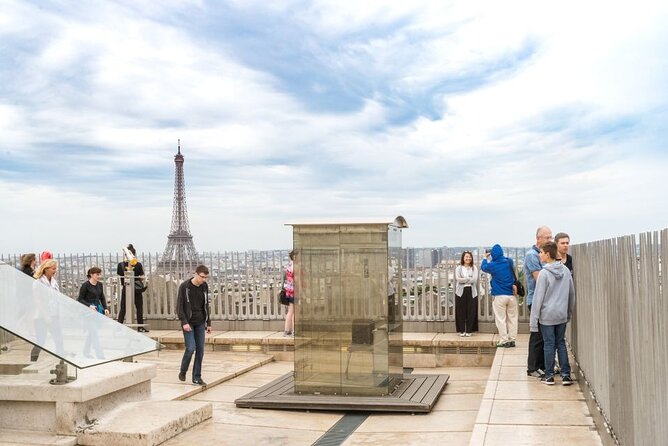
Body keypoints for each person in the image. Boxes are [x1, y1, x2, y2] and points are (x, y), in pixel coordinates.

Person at [529, 241, 575, 385]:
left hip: (547, 316)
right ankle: (566, 375)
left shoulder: (544, 274)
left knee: (549, 344)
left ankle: (549, 376)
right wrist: (568, 313)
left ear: (547, 254)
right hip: (561, 314)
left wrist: (533, 322)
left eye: (541, 252)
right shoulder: (566, 271)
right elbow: (571, 294)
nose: (539, 254)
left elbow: (538, 299)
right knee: (560, 343)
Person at [524, 226, 553, 378]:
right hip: (536, 300)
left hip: (545, 301)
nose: (550, 240)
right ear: (538, 239)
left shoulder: (545, 255)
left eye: (551, 237)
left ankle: (542, 366)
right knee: (537, 335)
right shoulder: (532, 255)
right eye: (547, 237)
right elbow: (539, 279)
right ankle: (533, 367)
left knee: (544, 335)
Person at [177, 264, 211, 386]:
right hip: (188, 323)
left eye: (206, 277)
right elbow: (179, 307)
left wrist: (208, 323)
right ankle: (183, 370)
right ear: (196, 274)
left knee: (200, 350)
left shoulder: (204, 287)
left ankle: (197, 377)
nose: (204, 280)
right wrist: (184, 322)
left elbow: (206, 305)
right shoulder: (185, 287)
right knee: (191, 348)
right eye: (202, 277)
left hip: (200, 322)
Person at [481, 244, 517, 347]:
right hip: (511, 295)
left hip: (499, 295)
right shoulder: (509, 261)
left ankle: (504, 340)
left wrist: (485, 257)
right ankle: (512, 339)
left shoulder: (492, 265)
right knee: (512, 318)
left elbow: (483, 267)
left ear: (492, 254)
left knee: (501, 319)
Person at [30, 259, 63, 361]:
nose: (55, 270)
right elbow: (38, 301)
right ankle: (33, 361)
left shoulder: (54, 282)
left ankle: (61, 361)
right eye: (53, 269)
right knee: (41, 341)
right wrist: (46, 316)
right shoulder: (38, 283)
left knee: (59, 339)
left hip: (54, 315)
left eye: (55, 268)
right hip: (41, 317)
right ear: (46, 269)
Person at [116, 244, 148, 332]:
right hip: (137, 289)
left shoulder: (120, 265)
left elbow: (120, 275)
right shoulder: (138, 264)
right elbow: (142, 276)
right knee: (139, 308)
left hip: (126, 288)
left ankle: (119, 326)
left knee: (123, 308)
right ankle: (140, 326)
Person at [455, 251, 479, 337]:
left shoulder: (474, 268)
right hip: (460, 292)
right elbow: (458, 279)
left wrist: (464, 279)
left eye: (469, 257)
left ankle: (469, 330)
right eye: (466, 257)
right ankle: (462, 330)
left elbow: (474, 280)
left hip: (472, 291)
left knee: (471, 311)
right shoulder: (458, 268)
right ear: (463, 258)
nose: (468, 258)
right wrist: (468, 279)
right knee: (460, 311)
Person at [283, 250, 296, 337]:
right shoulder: (296, 266)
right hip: (296, 291)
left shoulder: (288, 265)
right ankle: (295, 331)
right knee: (296, 312)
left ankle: (287, 331)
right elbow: (297, 280)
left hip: (289, 291)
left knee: (290, 311)